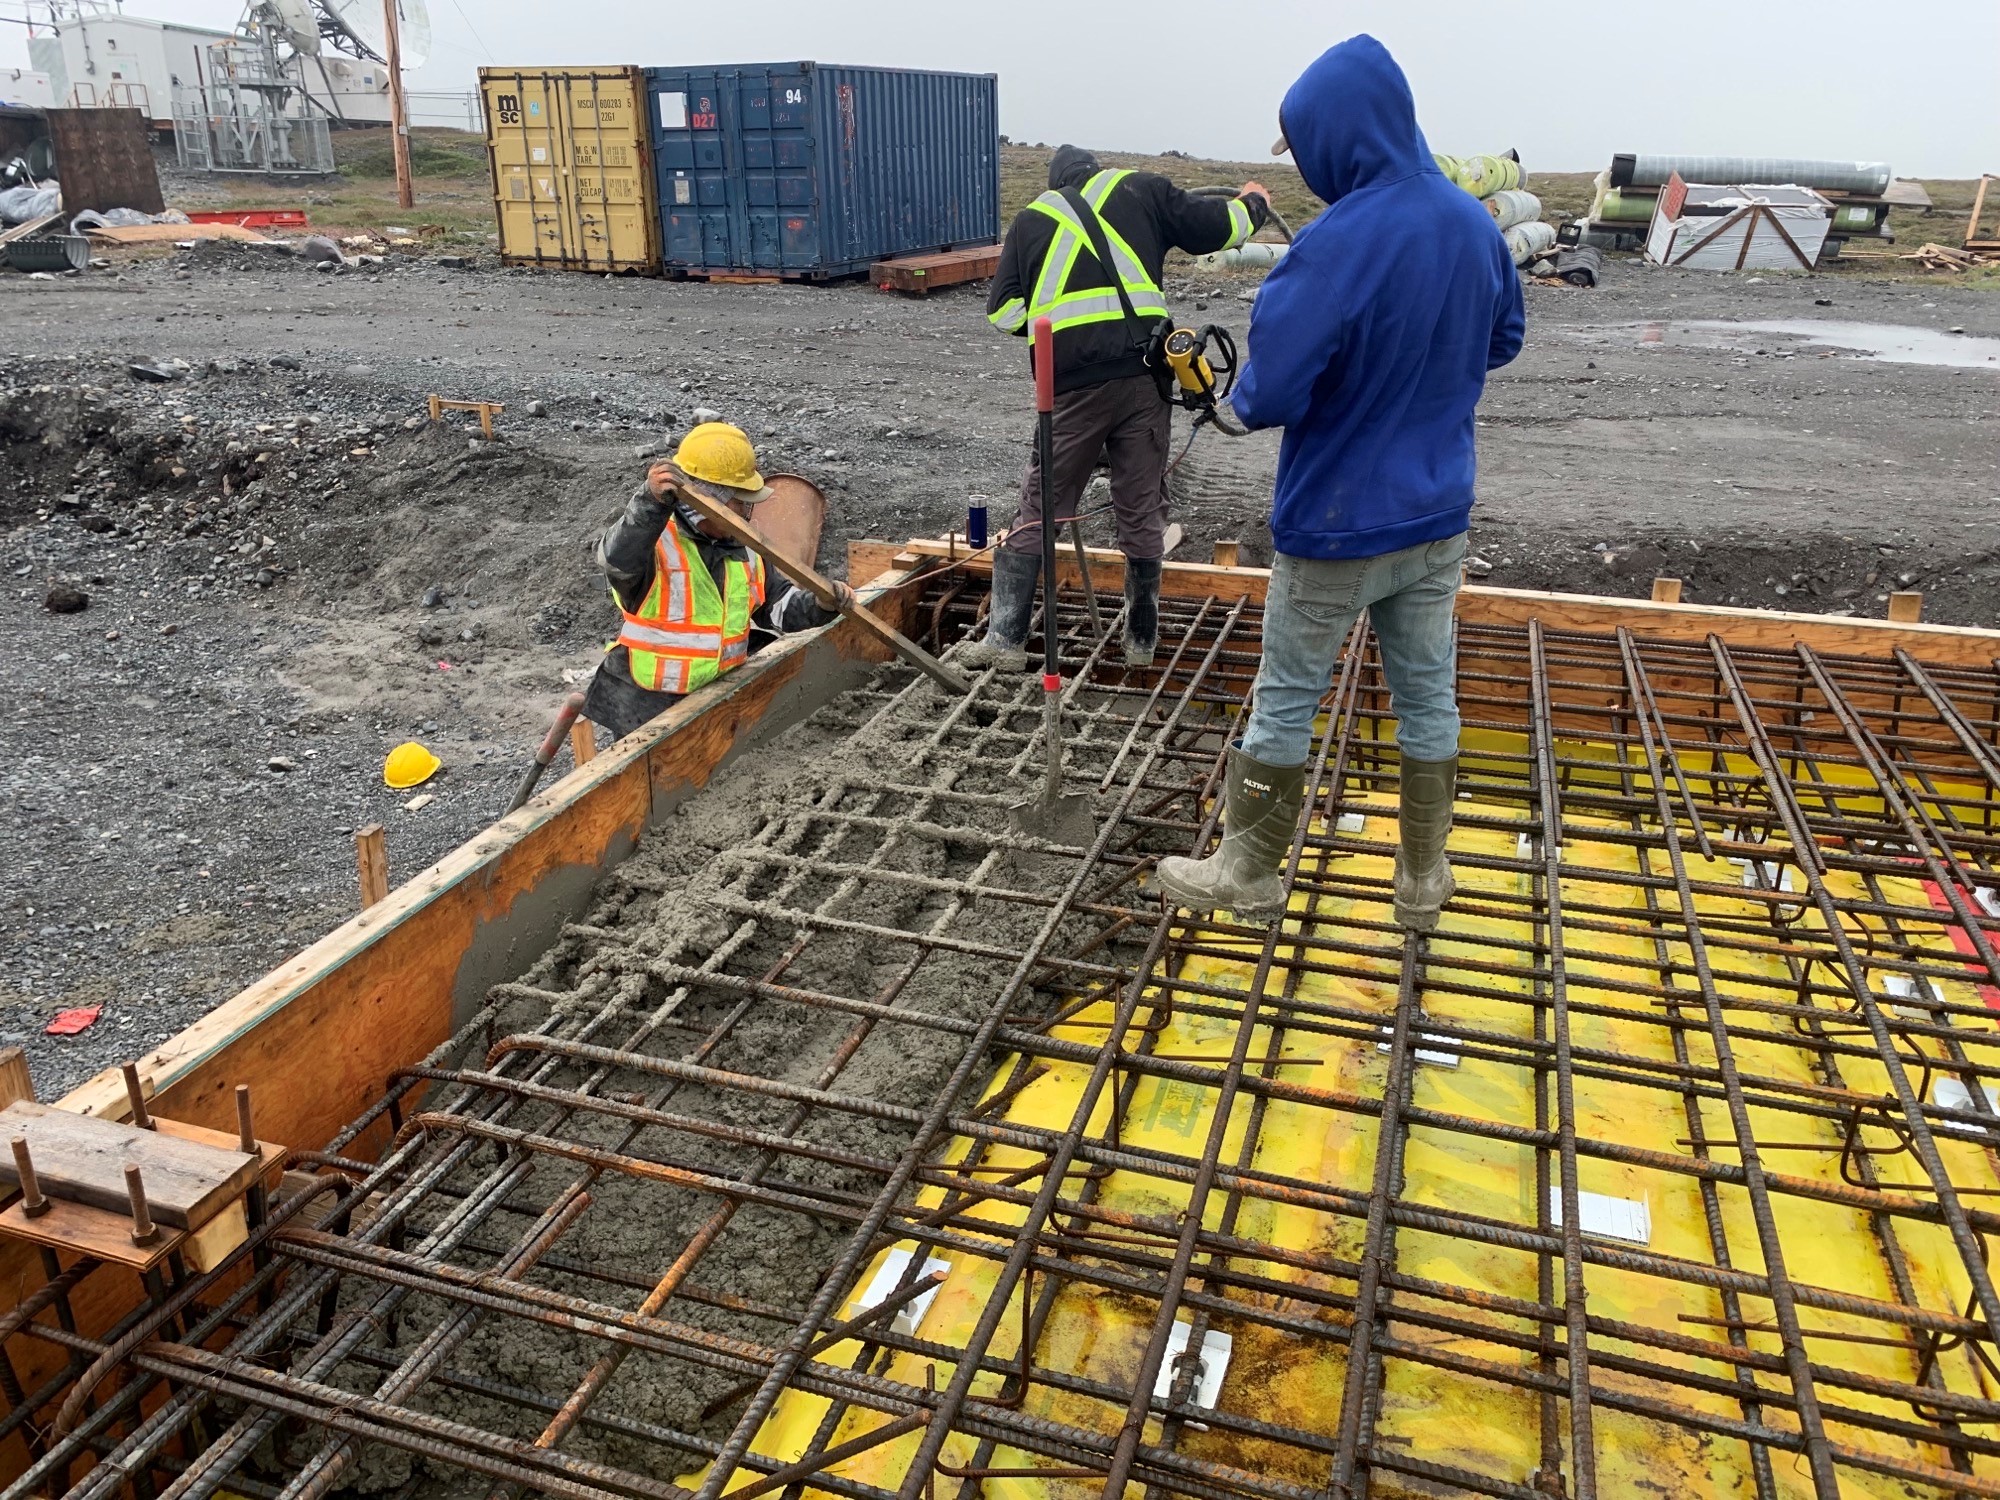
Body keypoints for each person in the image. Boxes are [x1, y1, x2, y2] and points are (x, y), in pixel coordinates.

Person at [1155, 35, 1526, 932]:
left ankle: (1248, 873)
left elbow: (1269, 393)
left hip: (1338, 521)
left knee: (1286, 696)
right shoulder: (1473, 222)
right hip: (1439, 515)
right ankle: (1423, 879)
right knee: (1427, 693)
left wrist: (1227, 405)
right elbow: (1502, 339)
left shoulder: (1334, 244)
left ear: (1334, 135)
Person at [967, 146, 1271, 668]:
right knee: (1141, 505)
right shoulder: (1140, 189)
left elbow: (1004, 311)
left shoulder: (1032, 218)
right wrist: (1255, 202)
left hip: (1072, 386)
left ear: (1056, 181)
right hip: (1144, 377)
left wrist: (1056, 325)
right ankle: (1140, 644)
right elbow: (1219, 228)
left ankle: (1006, 643)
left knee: (1042, 507)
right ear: (1094, 171)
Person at [582, 422, 855, 741]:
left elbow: (777, 607)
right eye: (740, 501)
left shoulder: (747, 552)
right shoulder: (655, 543)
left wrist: (820, 604)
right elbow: (616, 560)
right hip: (647, 709)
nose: (747, 511)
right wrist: (649, 503)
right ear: (710, 500)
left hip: (718, 700)